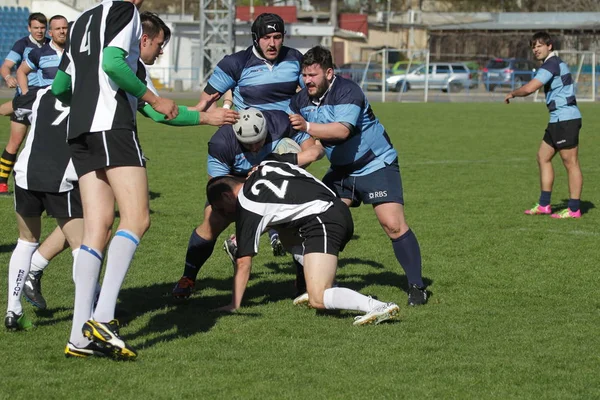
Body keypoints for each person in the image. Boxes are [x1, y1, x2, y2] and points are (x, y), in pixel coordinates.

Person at [51, 0, 179, 361]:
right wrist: (151, 96)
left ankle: (79, 335)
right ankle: (104, 316)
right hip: (112, 127)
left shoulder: (80, 21)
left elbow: (61, 87)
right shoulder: (125, 10)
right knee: (137, 218)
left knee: (97, 229)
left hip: (80, 131)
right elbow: (112, 62)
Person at [288, 46, 428, 306]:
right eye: (304, 75)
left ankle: (417, 286)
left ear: (329, 73)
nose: (307, 80)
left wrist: (306, 127)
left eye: (313, 75)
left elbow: (342, 131)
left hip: (375, 164)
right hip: (341, 171)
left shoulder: (348, 91)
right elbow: (295, 130)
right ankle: (308, 282)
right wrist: (305, 143)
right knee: (316, 220)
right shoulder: (301, 98)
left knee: (392, 224)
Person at [206, 161, 400, 326]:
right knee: (284, 233)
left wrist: (235, 304)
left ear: (226, 196)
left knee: (318, 298)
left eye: (221, 209)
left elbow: (243, 262)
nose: (224, 215)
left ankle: (376, 306)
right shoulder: (265, 165)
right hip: (335, 209)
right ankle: (326, 283)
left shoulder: (247, 205)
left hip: (323, 221)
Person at [172, 108, 323, 299]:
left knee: (293, 226)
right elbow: (218, 186)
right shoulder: (221, 143)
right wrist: (249, 185)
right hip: (236, 185)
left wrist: (285, 163)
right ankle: (188, 277)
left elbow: (312, 150)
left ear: (266, 131)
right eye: (247, 144)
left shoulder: (282, 122)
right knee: (211, 222)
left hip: (274, 183)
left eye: (258, 142)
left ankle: (303, 280)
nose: (254, 149)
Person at [194, 12, 304, 256]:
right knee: (213, 220)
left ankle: (307, 285)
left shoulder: (296, 59)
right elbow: (206, 102)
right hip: (243, 145)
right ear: (255, 38)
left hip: (279, 143)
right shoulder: (235, 63)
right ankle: (187, 278)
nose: (273, 43)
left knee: (291, 217)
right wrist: (221, 117)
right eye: (266, 37)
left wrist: (310, 126)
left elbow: (312, 96)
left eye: (278, 37)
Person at [5, 85, 82, 331]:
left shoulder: (39, 92)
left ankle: (12, 310)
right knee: (83, 244)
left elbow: (13, 107)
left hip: (26, 175)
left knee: (26, 242)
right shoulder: (90, 93)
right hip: (62, 179)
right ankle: (90, 311)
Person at [505, 32, 583, 219]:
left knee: (570, 163)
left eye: (539, 45)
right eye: (533, 46)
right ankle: (544, 205)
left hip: (566, 119)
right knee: (543, 157)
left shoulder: (551, 64)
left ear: (550, 46)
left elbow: (530, 88)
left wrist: (513, 93)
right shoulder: (553, 64)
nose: (536, 49)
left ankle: (573, 209)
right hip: (557, 119)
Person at [0, 13, 49, 195]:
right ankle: (1, 182)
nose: (39, 31)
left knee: (46, 142)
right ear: (29, 28)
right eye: (35, 28)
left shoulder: (51, 44)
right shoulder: (22, 44)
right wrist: (8, 76)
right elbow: (6, 66)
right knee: (16, 141)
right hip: (26, 96)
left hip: (46, 98)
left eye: (42, 28)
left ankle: (45, 184)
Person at [16, 15, 68, 95]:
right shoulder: (39, 53)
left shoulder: (77, 52)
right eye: (57, 29)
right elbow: (21, 71)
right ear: (50, 33)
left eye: (64, 28)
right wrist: (25, 93)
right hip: (47, 103)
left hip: (71, 102)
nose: (62, 31)